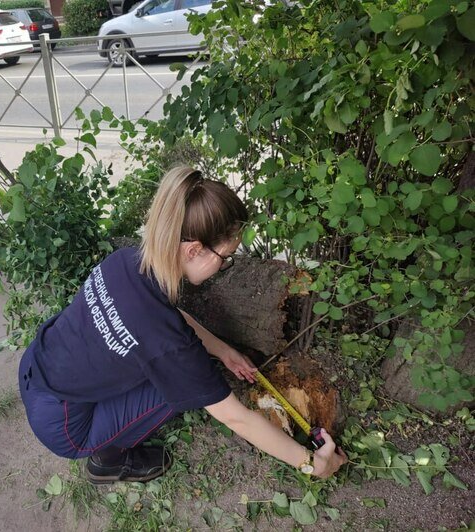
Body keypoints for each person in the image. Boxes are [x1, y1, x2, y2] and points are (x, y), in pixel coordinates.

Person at [18, 166, 347, 484]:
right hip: (64, 426)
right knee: (179, 386)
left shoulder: (127, 262)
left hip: (35, 366)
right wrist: (312, 464)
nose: (223, 267)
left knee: (171, 368)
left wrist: (224, 350)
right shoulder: (168, 342)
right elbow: (234, 416)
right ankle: (108, 461)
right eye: (225, 259)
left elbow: (165, 317)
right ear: (194, 250)